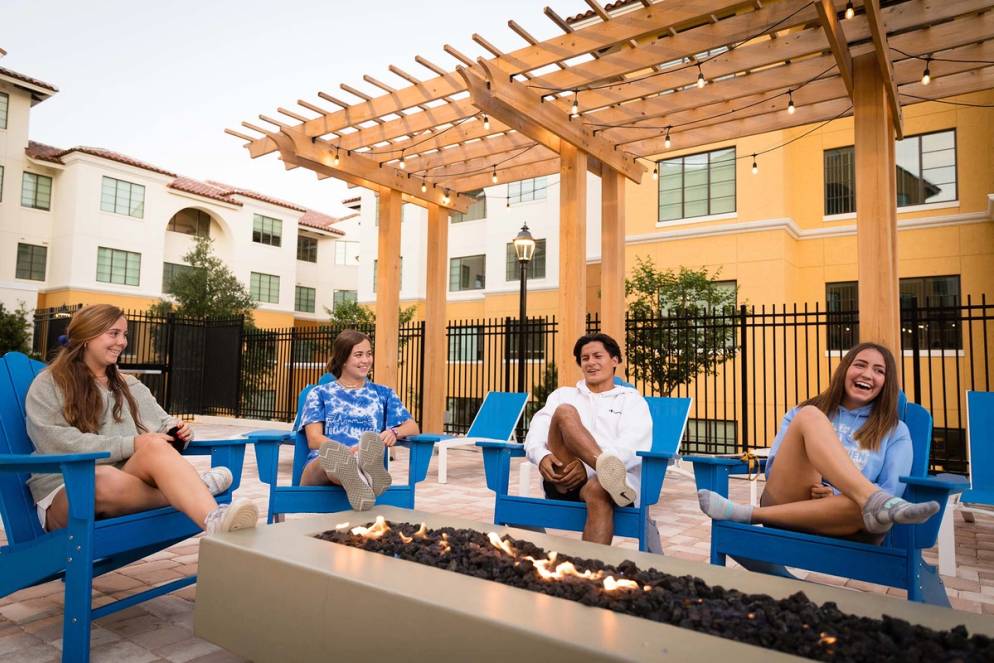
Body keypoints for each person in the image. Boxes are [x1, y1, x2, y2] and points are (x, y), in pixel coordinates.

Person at [25, 304, 258, 534]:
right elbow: (55, 442)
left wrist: (178, 430)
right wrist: (132, 444)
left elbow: (163, 422)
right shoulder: (51, 383)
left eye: (124, 335)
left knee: (154, 446)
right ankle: (201, 491)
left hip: (125, 481)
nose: (122, 342)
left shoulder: (129, 385)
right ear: (87, 337)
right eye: (114, 334)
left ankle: (214, 520)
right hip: (65, 489)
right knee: (100, 479)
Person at [697, 342, 940, 537]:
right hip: (789, 498)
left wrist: (836, 495)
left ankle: (748, 514)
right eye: (860, 365)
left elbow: (891, 492)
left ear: (887, 383)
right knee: (811, 415)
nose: (868, 374)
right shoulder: (803, 413)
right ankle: (865, 499)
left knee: (872, 508)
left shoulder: (895, 431)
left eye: (879, 371)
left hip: (843, 519)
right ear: (845, 370)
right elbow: (775, 469)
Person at [524, 333, 652, 545]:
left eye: (597, 356)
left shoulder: (631, 401)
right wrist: (542, 456)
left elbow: (633, 447)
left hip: (615, 488)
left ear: (614, 361)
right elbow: (535, 433)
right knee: (565, 412)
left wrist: (590, 470)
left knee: (598, 490)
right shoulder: (562, 394)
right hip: (564, 475)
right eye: (585, 358)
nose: (590, 363)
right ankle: (604, 468)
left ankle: (589, 572)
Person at [297, 329, 420, 510]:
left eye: (369, 354)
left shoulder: (382, 394)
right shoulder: (320, 393)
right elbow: (314, 440)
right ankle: (357, 474)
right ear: (343, 358)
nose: (366, 360)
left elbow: (412, 426)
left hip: (363, 458)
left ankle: (361, 476)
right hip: (320, 468)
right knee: (331, 457)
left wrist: (394, 432)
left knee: (358, 458)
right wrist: (348, 452)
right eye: (358, 355)